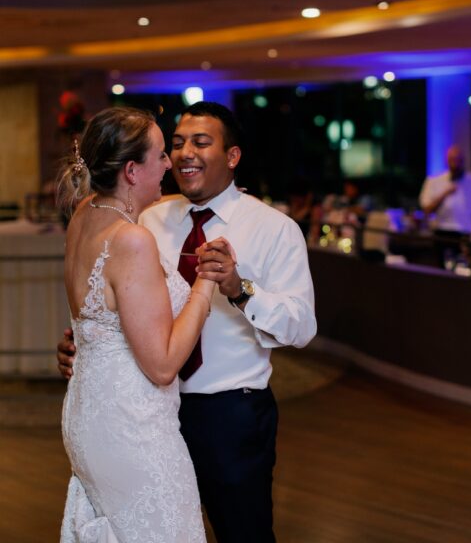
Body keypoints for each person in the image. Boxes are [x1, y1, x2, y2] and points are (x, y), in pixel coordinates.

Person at [58, 101, 317, 542]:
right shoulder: (145, 217)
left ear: (232, 156)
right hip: (144, 413)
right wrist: (84, 343)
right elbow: (111, 298)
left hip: (227, 413)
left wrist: (239, 288)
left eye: (200, 142)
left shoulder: (275, 229)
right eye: (174, 145)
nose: (182, 155)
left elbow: (301, 327)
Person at [57, 106, 215, 542]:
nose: (170, 163)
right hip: (133, 428)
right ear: (130, 170)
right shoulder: (131, 239)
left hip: (89, 416)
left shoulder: (86, 213)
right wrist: (205, 285)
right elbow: (162, 365)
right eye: (161, 155)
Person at [419, 144, 471, 268]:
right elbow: (426, 209)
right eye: (452, 159)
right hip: (441, 234)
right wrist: (445, 193)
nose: (455, 163)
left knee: (465, 273)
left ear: (463, 161)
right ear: (447, 161)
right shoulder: (434, 180)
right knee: (441, 274)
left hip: (466, 235)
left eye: (458, 160)